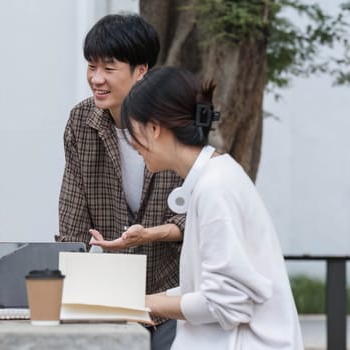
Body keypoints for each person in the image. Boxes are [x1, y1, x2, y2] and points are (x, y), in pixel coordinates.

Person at [111, 66, 302, 349]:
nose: (133, 146)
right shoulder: (216, 177)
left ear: (153, 128)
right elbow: (210, 289)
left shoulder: (215, 187)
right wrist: (146, 301)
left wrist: (144, 302)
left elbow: (225, 303)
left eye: (133, 132)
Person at [56, 13, 184, 349]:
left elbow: (195, 216)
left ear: (141, 71)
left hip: (175, 291)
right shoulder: (81, 121)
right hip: (111, 296)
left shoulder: (173, 121)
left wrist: (148, 235)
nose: (96, 79)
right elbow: (72, 217)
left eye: (108, 69)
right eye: (91, 67)